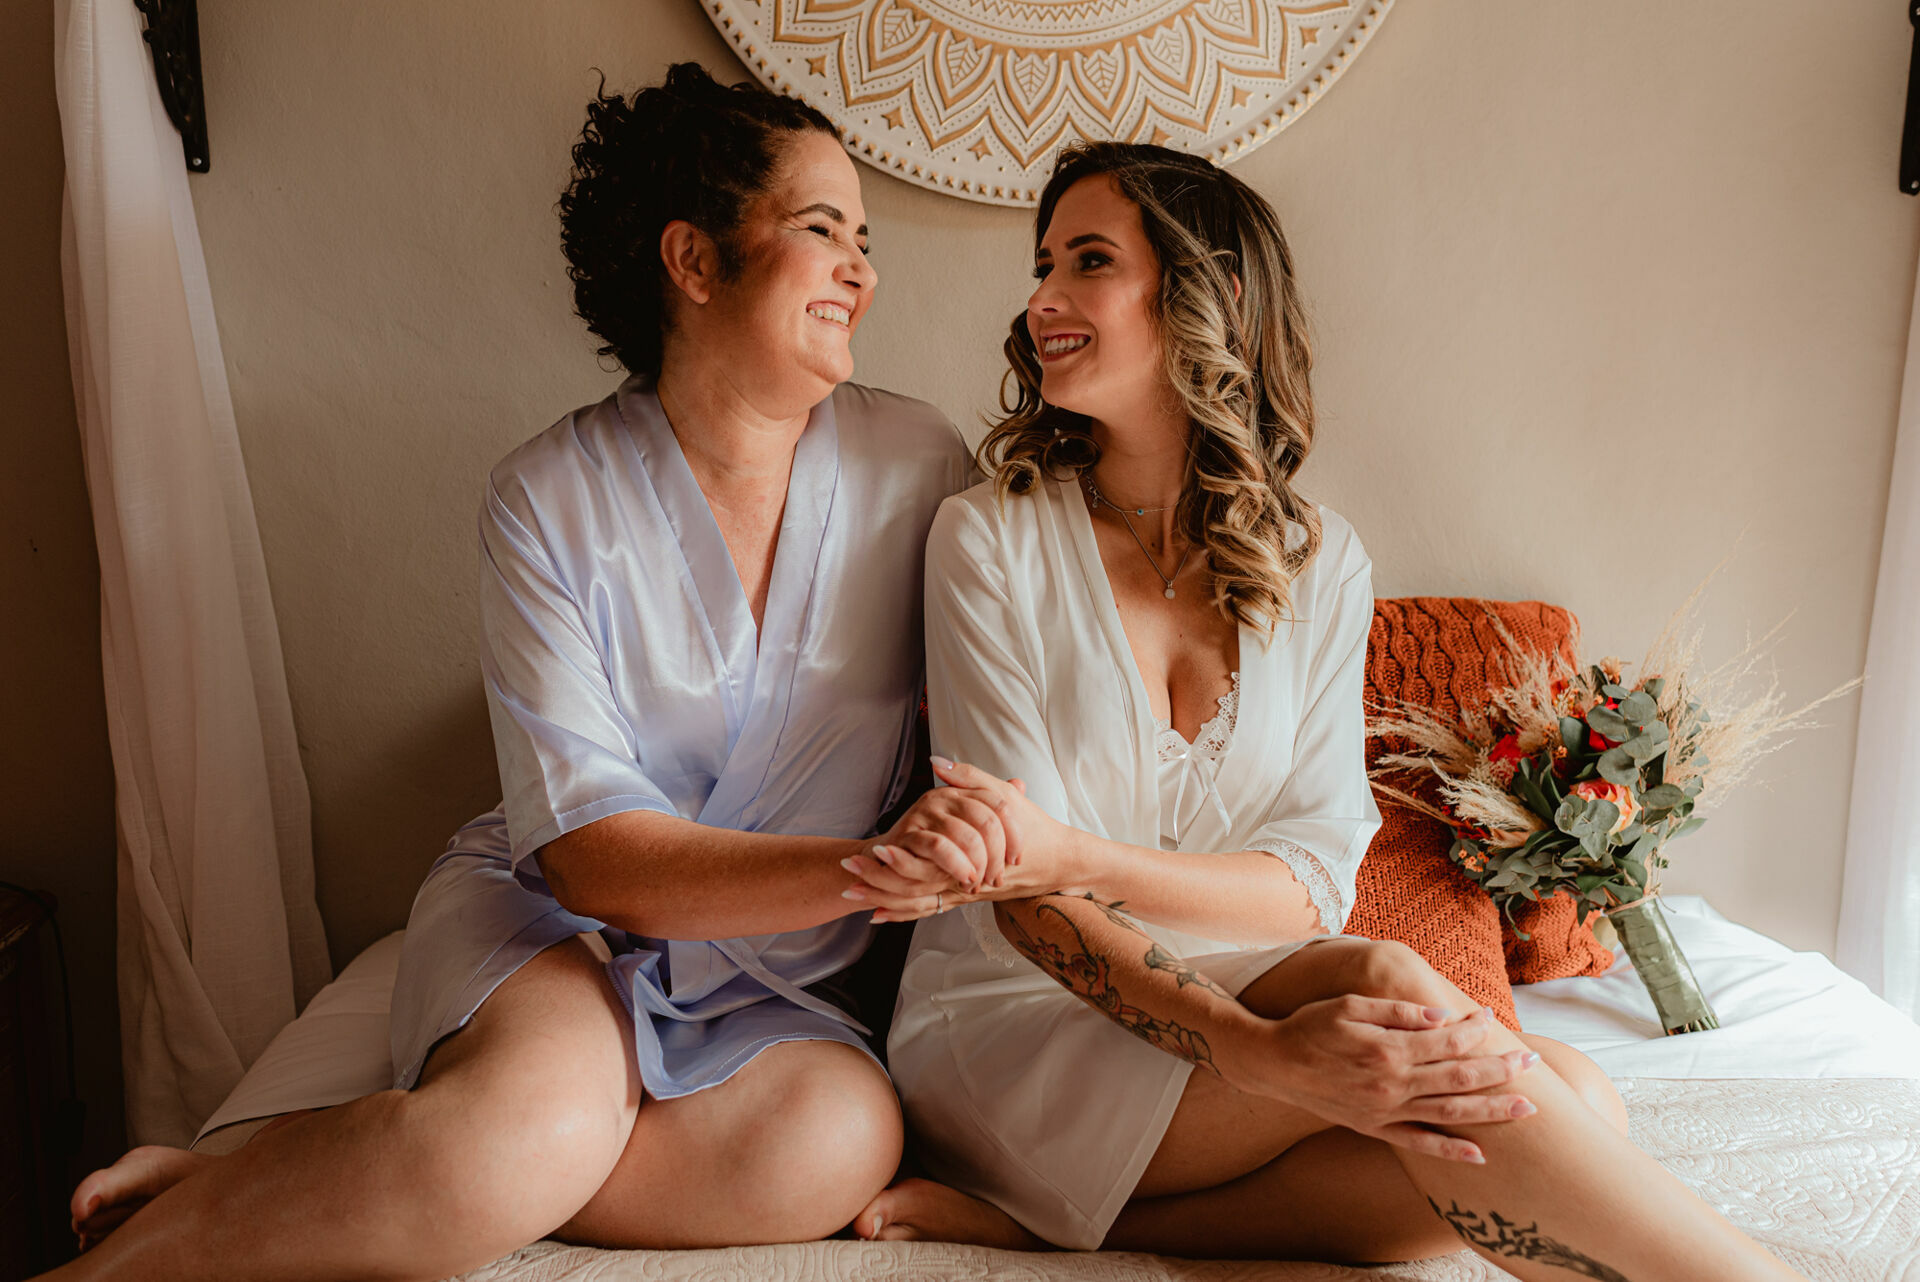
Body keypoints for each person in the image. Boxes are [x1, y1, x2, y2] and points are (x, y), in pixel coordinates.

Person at [48, 64, 999, 1280]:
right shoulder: (547, 497)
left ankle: (316, 1169)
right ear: (694, 260)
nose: (862, 270)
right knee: (537, 1121)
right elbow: (591, 855)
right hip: (563, 926)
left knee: (838, 1143)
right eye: (823, 231)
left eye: (864, 240)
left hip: (778, 984)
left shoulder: (920, 462)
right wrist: (871, 871)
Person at [844, 142, 1805, 1280]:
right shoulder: (988, 541)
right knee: (1402, 1000)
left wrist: (1080, 855)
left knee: (1579, 1097)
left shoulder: (1317, 558)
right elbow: (1026, 905)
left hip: (1253, 994)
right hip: (1022, 1027)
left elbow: (1310, 879)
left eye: (1087, 261)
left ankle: (1044, 1223)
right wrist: (1258, 1053)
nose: (1041, 300)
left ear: (1215, 296)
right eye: (1042, 263)